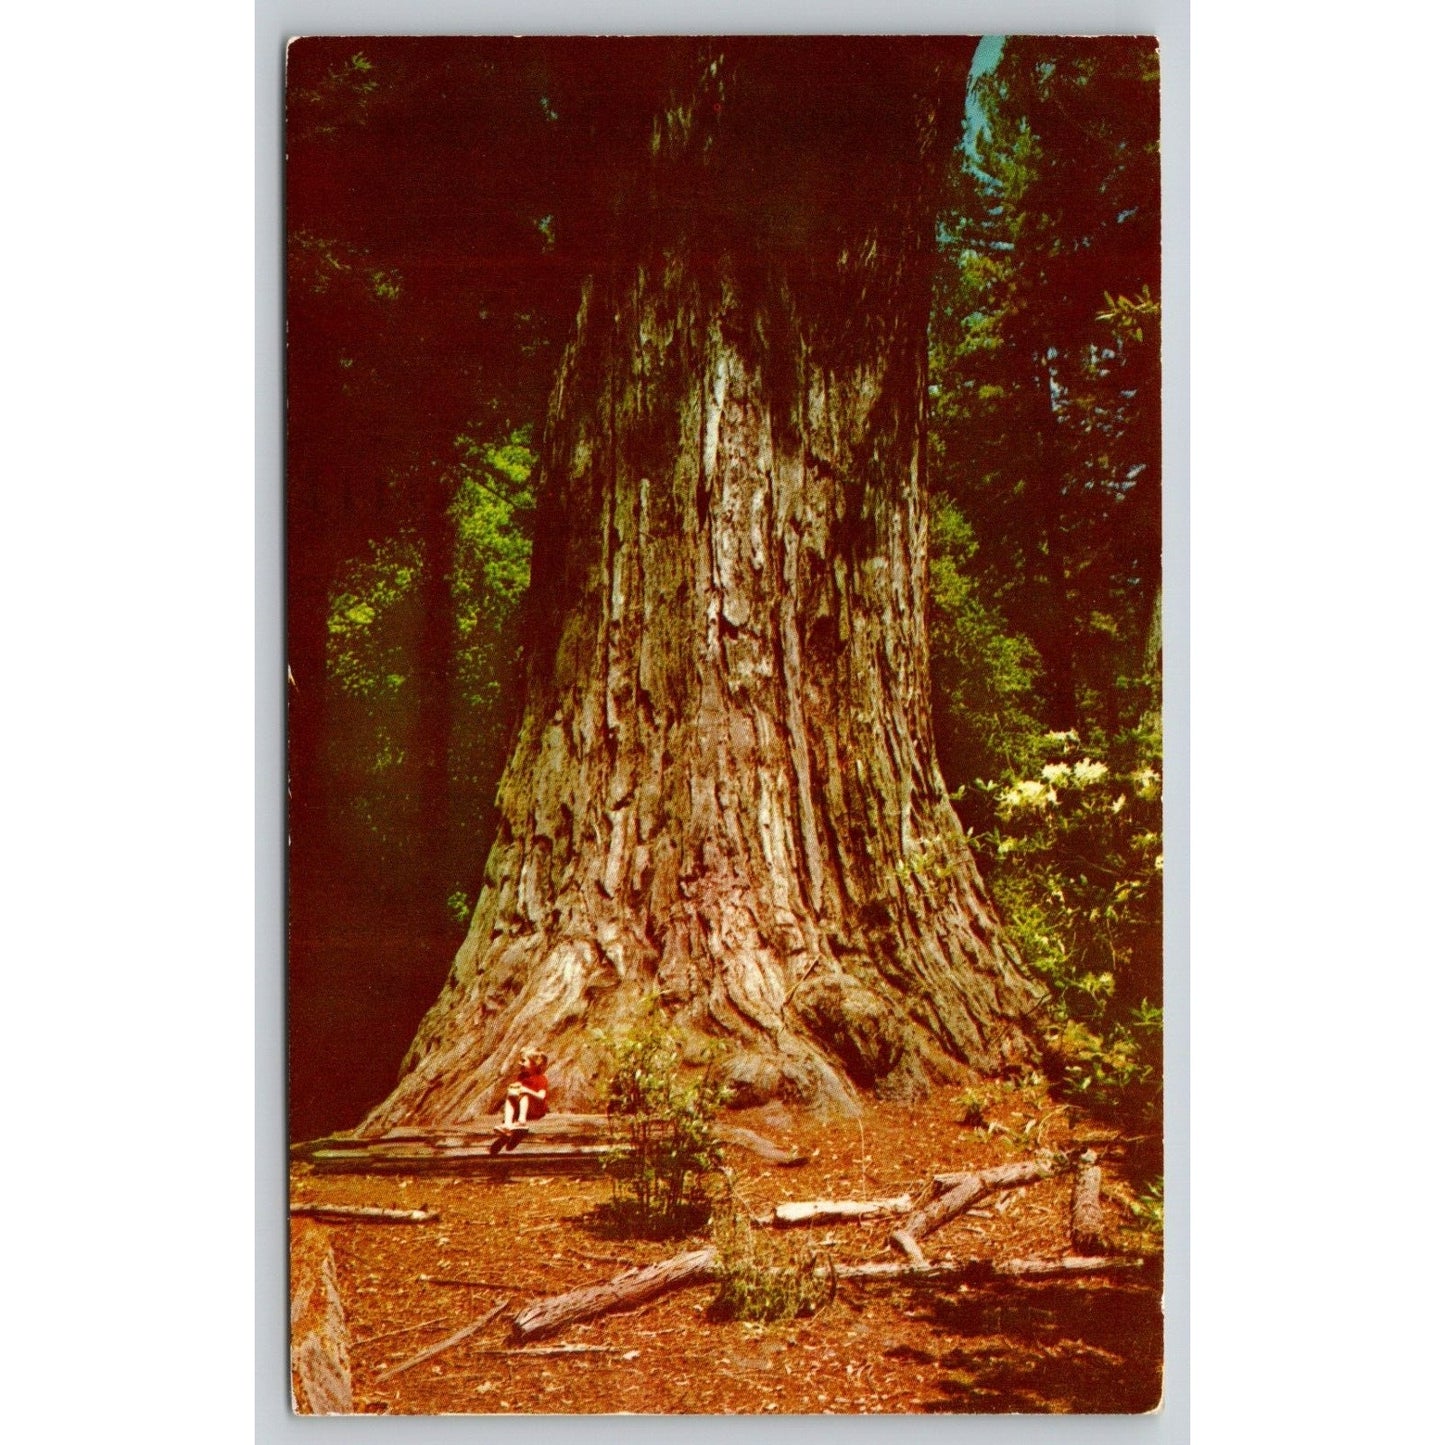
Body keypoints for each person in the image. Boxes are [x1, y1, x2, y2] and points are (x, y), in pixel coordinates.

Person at [489, 1048, 549, 1153]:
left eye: (523, 1061)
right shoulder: (521, 1076)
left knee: (524, 1095)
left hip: (536, 1109)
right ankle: (507, 1126)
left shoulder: (541, 1078)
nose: (520, 1063)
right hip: (523, 1108)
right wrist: (514, 1089)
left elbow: (541, 1096)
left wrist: (526, 1091)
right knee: (511, 1095)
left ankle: (521, 1122)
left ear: (534, 1065)